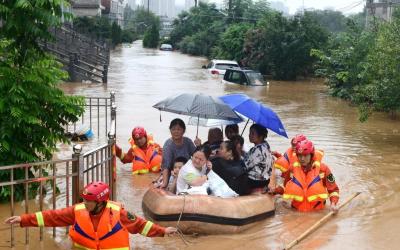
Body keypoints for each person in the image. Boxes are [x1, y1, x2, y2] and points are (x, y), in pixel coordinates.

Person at [4, 182, 177, 249]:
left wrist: (163, 231)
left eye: (89, 201)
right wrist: (23, 219)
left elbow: (140, 225)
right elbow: (51, 216)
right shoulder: (78, 211)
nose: (85, 203)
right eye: (84, 200)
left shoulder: (119, 214)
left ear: (101, 202)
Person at [281, 140, 340, 212]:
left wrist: (333, 204)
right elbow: (286, 186)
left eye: (305, 155)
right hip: (296, 210)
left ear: (311, 155)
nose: (302, 159)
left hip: (317, 212)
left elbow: (333, 190)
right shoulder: (292, 169)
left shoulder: (323, 169)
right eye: (300, 155)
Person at [160, 118, 198, 189]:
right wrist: (165, 183)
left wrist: (199, 145)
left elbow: (197, 157)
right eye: (173, 129)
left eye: (179, 129)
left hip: (187, 172)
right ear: (170, 130)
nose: (176, 132)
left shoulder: (188, 142)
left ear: (183, 131)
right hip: (173, 173)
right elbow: (166, 166)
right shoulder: (168, 145)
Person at [243, 124, 274, 191]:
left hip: (255, 181)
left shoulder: (257, 149)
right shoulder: (266, 145)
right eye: (250, 133)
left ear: (261, 136)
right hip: (266, 180)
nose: (249, 135)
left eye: (253, 133)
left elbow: (245, 166)